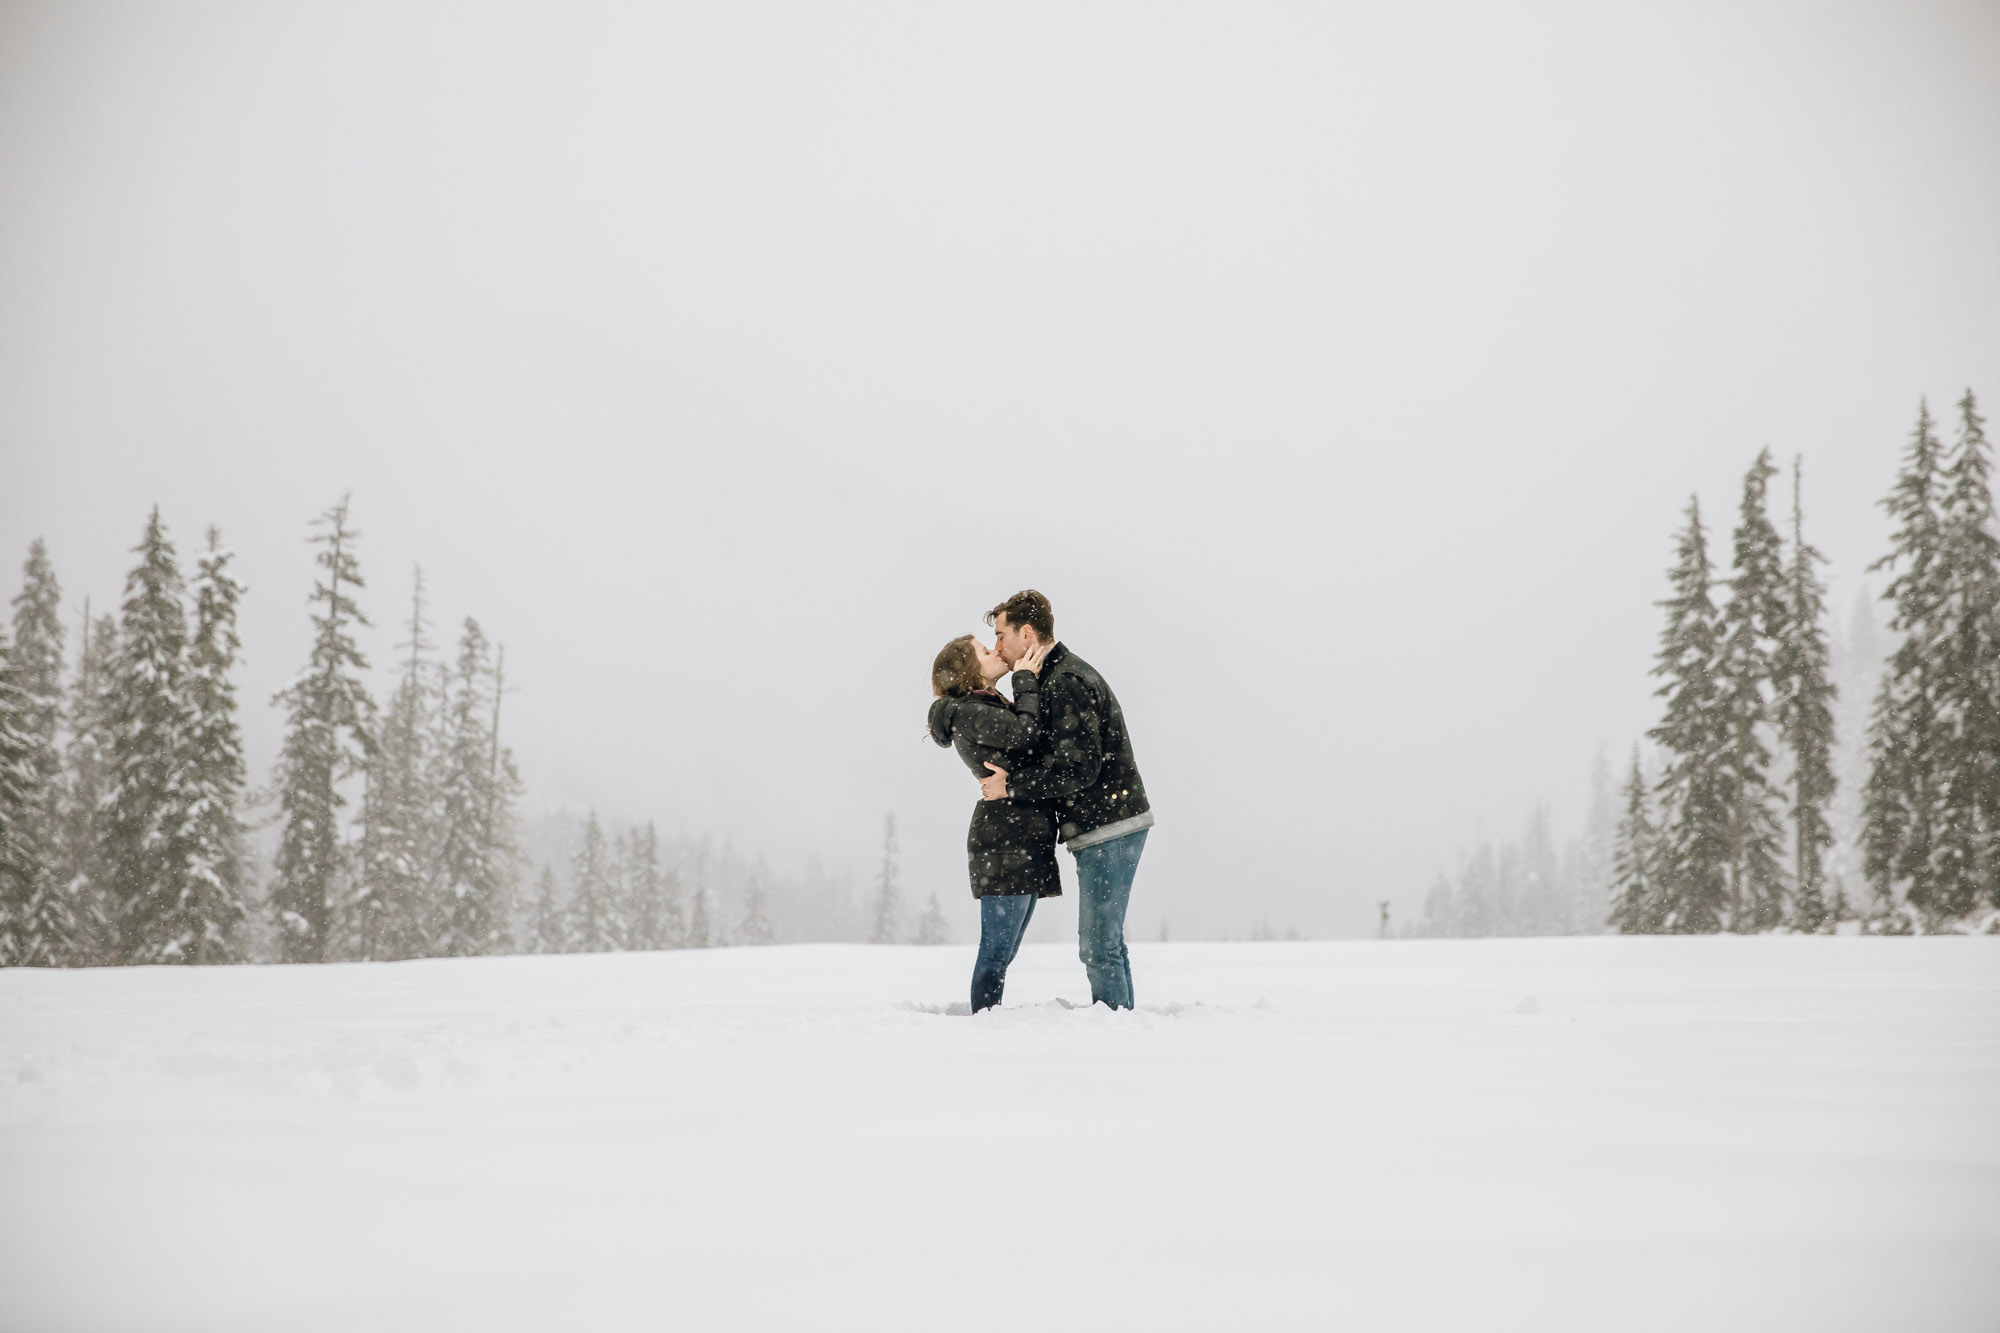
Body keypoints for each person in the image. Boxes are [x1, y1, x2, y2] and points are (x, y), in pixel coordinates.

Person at [978, 590, 1152, 1009]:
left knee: (1098, 946)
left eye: (1001, 635)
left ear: (1026, 633)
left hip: (1109, 825)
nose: (998, 646)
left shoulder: (1066, 681)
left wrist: (1011, 787)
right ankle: (1122, 1023)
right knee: (1107, 943)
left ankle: (1116, 1031)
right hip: (1105, 823)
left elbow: (1079, 768)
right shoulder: (1053, 677)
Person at [927, 632, 1057, 1011]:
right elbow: (1026, 734)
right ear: (969, 671)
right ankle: (984, 1024)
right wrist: (1025, 679)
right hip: (1004, 838)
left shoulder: (984, 705)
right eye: (985, 651)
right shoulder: (970, 711)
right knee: (997, 951)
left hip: (1017, 832)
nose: (995, 649)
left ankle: (988, 1019)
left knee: (1006, 949)